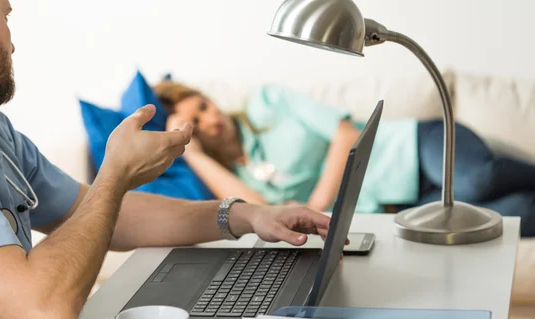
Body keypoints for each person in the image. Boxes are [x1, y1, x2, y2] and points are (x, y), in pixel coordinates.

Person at [0, 0, 334, 319]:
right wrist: (114, 174)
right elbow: (43, 315)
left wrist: (246, 215)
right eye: (5, 18)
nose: (13, 43)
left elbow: (100, 213)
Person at [156, 79, 535, 237]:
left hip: (412, 148)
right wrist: (194, 154)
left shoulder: (268, 102)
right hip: (395, 204)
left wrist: (318, 202)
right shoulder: (230, 177)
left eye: (204, 107)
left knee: (475, 181)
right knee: (517, 213)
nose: (210, 121)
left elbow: (345, 133)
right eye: (197, 123)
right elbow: (262, 211)